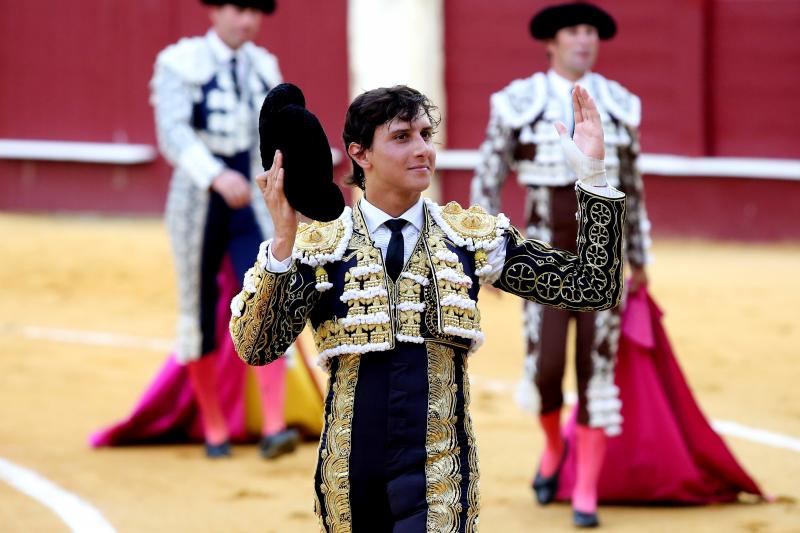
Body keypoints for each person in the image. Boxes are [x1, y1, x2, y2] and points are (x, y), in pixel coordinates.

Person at [230, 83, 626, 531]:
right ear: (361, 154)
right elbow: (256, 347)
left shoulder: (470, 238)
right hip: (349, 479)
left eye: (426, 134)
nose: (422, 150)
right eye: (402, 137)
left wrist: (593, 178)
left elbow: (593, 288)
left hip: (440, 474)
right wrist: (283, 239)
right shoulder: (322, 246)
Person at [93, 0, 302, 459]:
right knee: (199, 309)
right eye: (238, 9)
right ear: (214, 12)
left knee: (269, 294)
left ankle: (273, 425)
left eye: (255, 11)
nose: (247, 20)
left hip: (252, 199)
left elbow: (277, 140)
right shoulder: (179, 61)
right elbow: (173, 132)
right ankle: (213, 429)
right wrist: (214, 175)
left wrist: (288, 196)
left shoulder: (264, 67)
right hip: (197, 201)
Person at [470, 2, 649, 527]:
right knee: (547, 369)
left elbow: (633, 188)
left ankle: (586, 490)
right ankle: (553, 450)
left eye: (590, 31)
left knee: (596, 370)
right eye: (573, 31)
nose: (583, 40)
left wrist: (637, 256)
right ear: (552, 40)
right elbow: (487, 177)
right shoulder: (516, 102)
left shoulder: (618, 104)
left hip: (605, 251)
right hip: (542, 254)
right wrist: (488, 256)